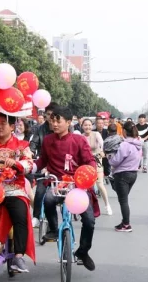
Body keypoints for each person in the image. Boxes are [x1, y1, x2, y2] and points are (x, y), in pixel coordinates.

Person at [33, 106, 98, 271]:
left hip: (77, 186)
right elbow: (42, 161)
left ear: (68, 122)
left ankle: (83, 251)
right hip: (57, 183)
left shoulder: (79, 141)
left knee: (89, 220)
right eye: (52, 120)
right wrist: (31, 167)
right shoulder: (48, 140)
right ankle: (54, 229)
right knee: (47, 199)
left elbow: (89, 161)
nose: (54, 124)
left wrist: (89, 172)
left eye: (58, 120)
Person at [0, 113, 35, 272]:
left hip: (13, 189)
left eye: (3, 123)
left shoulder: (21, 146)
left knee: (20, 215)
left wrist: (17, 163)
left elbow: (29, 164)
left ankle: (18, 257)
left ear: (12, 127)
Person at [108, 121, 142, 232]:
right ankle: (124, 222)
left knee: (123, 201)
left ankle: (126, 225)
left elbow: (115, 161)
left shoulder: (125, 145)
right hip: (133, 174)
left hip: (122, 175)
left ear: (124, 131)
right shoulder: (138, 143)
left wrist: (109, 158)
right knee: (124, 199)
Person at [30, 103, 57, 227]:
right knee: (40, 191)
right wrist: (29, 152)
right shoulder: (41, 129)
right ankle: (36, 216)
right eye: (48, 115)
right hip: (43, 163)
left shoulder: (63, 129)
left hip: (60, 166)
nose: (51, 119)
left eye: (53, 115)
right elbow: (33, 143)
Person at [82, 119, 112, 215]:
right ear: (82, 126)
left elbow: (103, 145)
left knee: (100, 184)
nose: (88, 127)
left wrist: (103, 152)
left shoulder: (96, 134)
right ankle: (86, 206)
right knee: (85, 186)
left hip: (96, 162)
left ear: (92, 126)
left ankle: (107, 205)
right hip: (84, 164)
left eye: (89, 125)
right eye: (85, 125)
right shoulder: (80, 137)